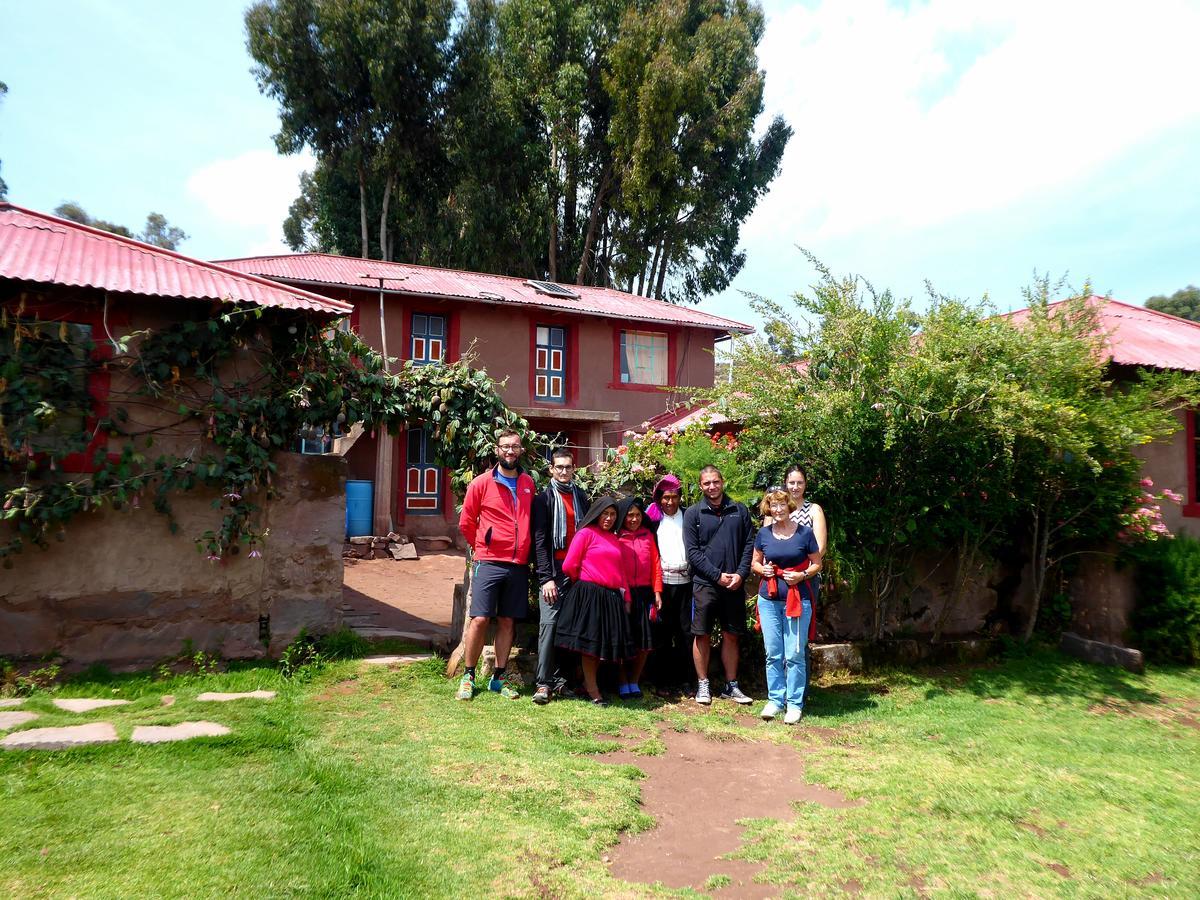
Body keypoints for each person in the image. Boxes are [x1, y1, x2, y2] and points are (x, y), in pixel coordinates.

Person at [455, 429, 535, 701]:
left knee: (507, 621)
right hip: (489, 561)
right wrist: (482, 547)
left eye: (514, 447)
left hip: (518, 563)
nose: (510, 451)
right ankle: (468, 675)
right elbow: (467, 522)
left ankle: (498, 678)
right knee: (479, 619)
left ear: (521, 450)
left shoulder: (527, 483)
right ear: (497, 451)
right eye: (505, 447)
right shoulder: (481, 483)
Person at [683, 465, 756, 706]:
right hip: (705, 584)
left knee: (732, 635)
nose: (712, 487)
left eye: (715, 482)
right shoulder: (693, 513)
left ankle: (731, 685)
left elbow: (749, 545)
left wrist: (741, 574)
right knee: (701, 634)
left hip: (734, 585)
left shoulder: (740, 510)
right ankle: (703, 684)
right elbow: (692, 552)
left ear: (722, 482)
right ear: (701, 486)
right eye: (707, 483)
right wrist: (717, 575)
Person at [751, 488, 822, 724]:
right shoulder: (763, 534)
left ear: (790, 506)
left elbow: (816, 564)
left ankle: (794, 704)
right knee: (773, 653)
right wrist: (764, 570)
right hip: (768, 600)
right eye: (773, 506)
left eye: (782, 505)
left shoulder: (805, 534)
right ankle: (775, 700)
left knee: (794, 654)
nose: (778, 509)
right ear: (768, 509)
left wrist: (802, 575)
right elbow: (755, 563)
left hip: (798, 599)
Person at [555, 496, 635, 705]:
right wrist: (585, 582)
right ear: (597, 514)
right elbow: (569, 565)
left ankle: (586, 683)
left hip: (611, 597)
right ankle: (593, 691)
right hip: (590, 594)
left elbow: (621, 572)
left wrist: (626, 596)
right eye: (605, 514)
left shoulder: (614, 539)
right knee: (590, 648)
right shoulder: (585, 534)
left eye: (613, 514)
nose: (609, 518)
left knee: (602, 647)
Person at [530, 447, 589, 705]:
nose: (564, 471)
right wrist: (546, 579)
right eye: (559, 467)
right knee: (549, 625)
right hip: (554, 571)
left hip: (578, 571)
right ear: (551, 470)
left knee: (570, 626)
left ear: (573, 468)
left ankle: (562, 681)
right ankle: (543, 683)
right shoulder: (543, 500)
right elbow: (540, 542)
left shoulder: (581, 496)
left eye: (568, 467)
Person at [645, 474, 692, 695]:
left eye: (674, 497)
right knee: (661, 633)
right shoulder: (652, 520)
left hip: (686, 583)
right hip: (662, 583)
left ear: (680, 497)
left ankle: (685, 680)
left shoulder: (689, 517)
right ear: (659, 498)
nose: (670, 502)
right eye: (665, 498)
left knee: (686, 633)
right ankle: (661, 682)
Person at [616, 496, 661, 699]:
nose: (633, 519)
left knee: (644, 641)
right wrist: (624, 595)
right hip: (623, 594)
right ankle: (622, 680)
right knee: (624, 639)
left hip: (645, 593)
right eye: (629, 516)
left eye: (637, 515)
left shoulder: (648, 535)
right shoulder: (616, 537)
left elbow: (656, 564)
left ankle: (635, 680)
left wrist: (657, 591)